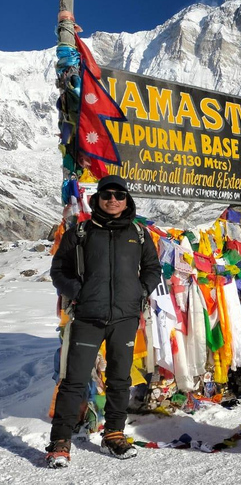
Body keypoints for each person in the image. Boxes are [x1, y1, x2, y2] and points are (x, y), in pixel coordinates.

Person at [47, 175, 161, 468]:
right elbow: (59, 269)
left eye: (119, 195)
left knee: (120, 379)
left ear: (127, 200)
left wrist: (141, 291)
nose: (113, 200)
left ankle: (114, 434)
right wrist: (78, 292)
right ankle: (60, 441)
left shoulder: (139, 233)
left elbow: (152, 267)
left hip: (124, 317)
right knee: (74, 380)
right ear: (97, 198)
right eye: (107, 194)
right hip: (88, 317)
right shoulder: (81, 232)